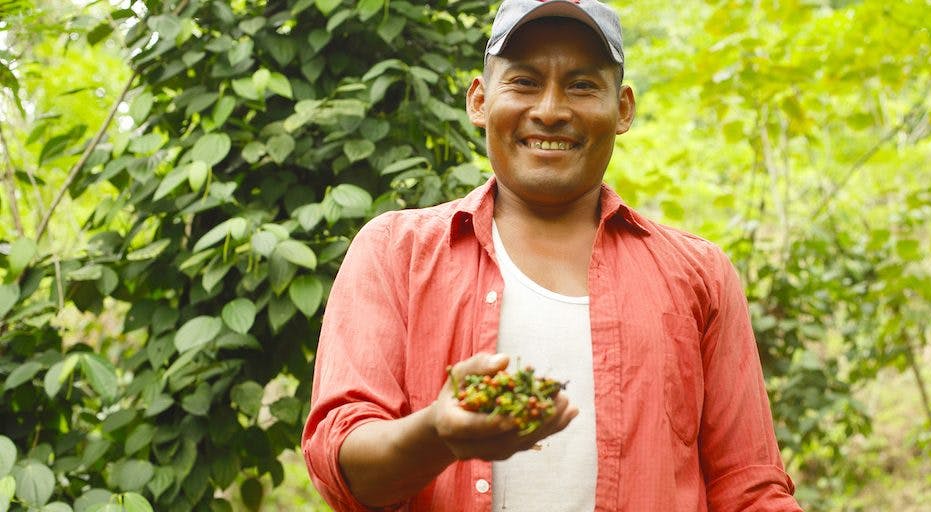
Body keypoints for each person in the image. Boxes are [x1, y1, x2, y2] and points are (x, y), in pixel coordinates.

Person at [302, 0, 804, 510]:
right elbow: (343, 469)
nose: (550, 110)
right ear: (479, 100)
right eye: (523, 81)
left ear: (623, 108)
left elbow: (750, 487)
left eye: (582, 85)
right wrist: (438, 432)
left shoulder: (699, 274)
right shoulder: (395, 253)